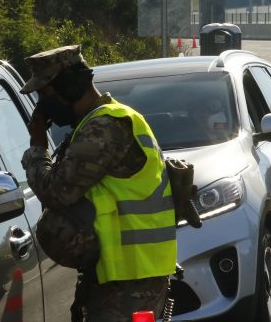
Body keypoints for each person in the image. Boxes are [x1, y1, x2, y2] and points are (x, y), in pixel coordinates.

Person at [20, 45, 176, 321]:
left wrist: (37, 147)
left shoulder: (104, 128)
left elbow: (55, 192)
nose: (42, 106)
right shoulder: (98, 122)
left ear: (67, 86)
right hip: (122, 275)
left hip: (131, 279)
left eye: (45, 95)